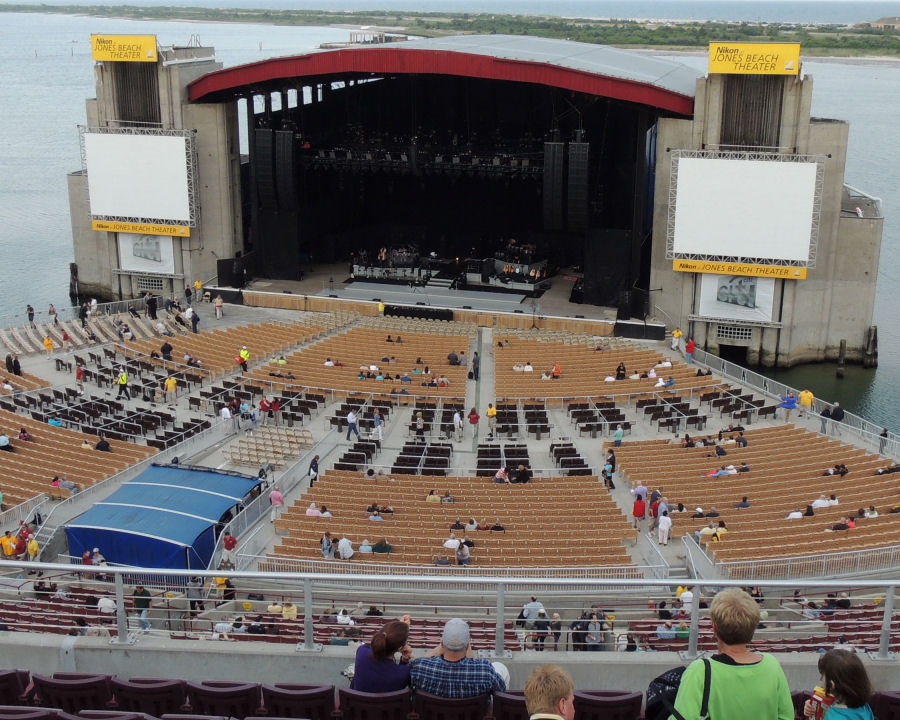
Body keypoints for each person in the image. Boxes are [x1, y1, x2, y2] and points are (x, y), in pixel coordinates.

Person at [670, 588, 792, 720]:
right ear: (752, 627)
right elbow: (787, 716)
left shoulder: (699, 671)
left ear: (714, 628)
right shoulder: (772, 665)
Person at [409, 618, 507, 698]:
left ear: (442, 644)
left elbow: (414, 667)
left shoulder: (419, 667)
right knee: (501, 667)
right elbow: (502, 690)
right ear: (468, 646)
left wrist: (435, 652)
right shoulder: (485, 671)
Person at [803, 649, 873, 720]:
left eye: (822, 676)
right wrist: (817, 707)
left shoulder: (833, 716)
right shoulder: (864, 707)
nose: (822, 680)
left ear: (831, 685)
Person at [351, 617, 414, 692]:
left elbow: (380, 638)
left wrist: (397, 628)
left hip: (356, 703)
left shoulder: (361, 651)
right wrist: (404, 662)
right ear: (400, 648)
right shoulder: (404, 673)